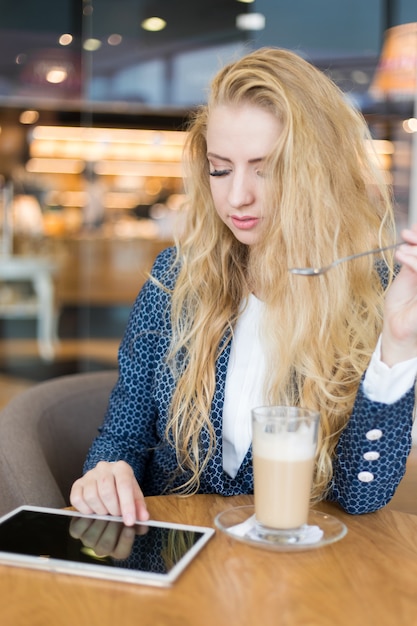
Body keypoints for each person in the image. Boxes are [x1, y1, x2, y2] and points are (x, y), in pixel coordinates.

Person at [70, 47, 417, 527]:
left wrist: (397, 345)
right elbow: (121, 440)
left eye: (265, 167)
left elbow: (361, 497)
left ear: (318, 172)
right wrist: (106, 474)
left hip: (295, 573)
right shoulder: (176, 280)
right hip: (176, 557)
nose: (237, 197)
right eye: (220, 168)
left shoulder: (372, 291)